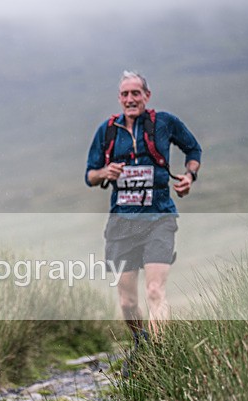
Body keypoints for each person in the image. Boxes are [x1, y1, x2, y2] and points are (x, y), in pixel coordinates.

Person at [85, 71, 201, 374]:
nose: (130, 99)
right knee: (126, 299)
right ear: (119, 98)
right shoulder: (107, 131)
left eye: (136, 93)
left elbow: (193, 149)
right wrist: (105, 173)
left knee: (154, 290)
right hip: (122, 222)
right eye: (125, 94)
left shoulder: (164, 123)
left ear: (147, 96)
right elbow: (90, 175)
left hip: (160, 215)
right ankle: (142, 343)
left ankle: (159, 359)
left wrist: (189, 176)